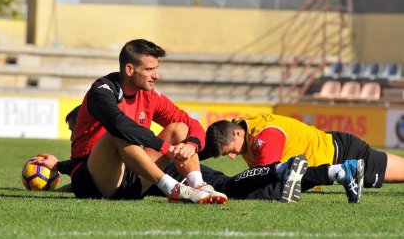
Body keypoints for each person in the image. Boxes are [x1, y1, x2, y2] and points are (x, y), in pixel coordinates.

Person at [36, 39, 229, 204]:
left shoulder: (151, 96)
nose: (157, 75)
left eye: (157, 69)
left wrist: (192, 144)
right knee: (118, 132)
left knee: (179, 128)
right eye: (150, 69)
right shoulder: (101, 91)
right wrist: (167, 149)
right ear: (129, 69)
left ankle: (199, 186)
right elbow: (119, 125)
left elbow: (190, 123)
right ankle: (173, 189)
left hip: (132, 179)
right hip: (92, 182)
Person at [44, 105, 310, 203]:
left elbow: (89, 172)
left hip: (172, 171)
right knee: (229, 185)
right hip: (164, 172)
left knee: (228, 185)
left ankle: (283, 172)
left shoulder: (103, 139)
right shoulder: (102, 154)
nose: (72, 135)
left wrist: (188, 147)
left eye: (72, 129)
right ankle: (289, 172)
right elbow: (90, 173)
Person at [203, 113, 388, 203]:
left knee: (266, 190)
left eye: (231, 151)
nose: (233, 157)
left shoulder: (265, 137)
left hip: (340, 153)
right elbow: (212, 142)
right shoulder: (238, 126)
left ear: (237, 133)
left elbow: (264, 179)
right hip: (331, 147)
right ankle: (340, 173)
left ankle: (340, 171)